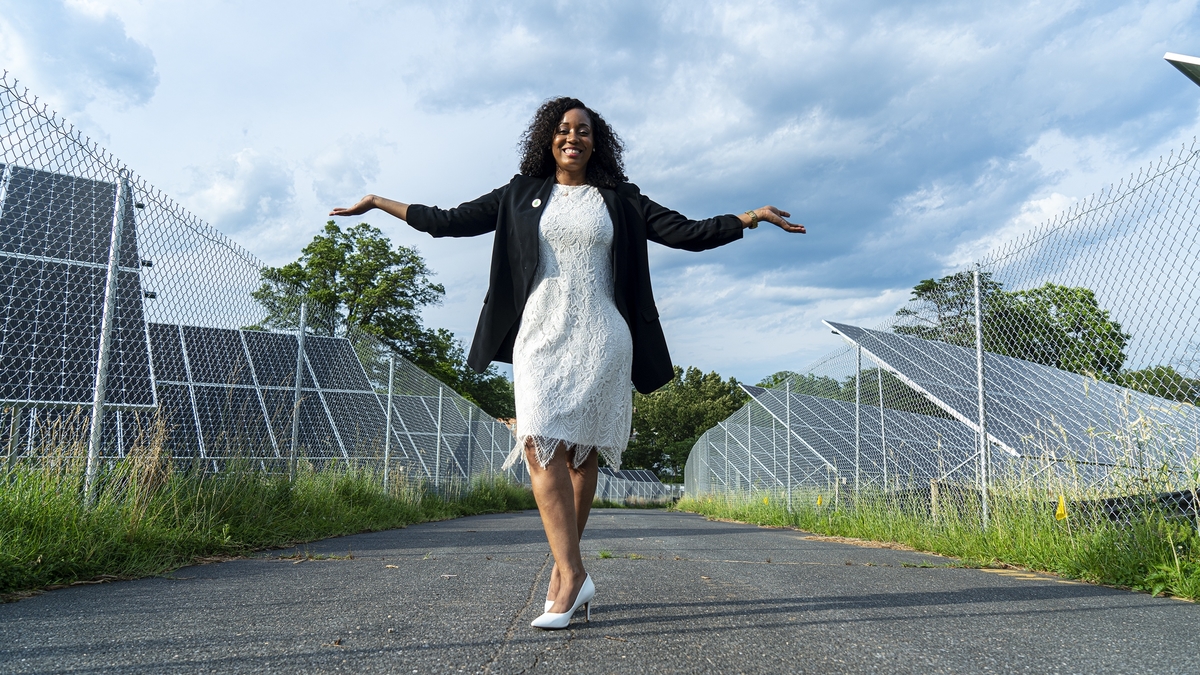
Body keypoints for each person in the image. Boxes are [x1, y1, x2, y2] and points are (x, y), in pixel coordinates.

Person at [330, 97, 805, 630]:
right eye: (562, 130)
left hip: (602, 337)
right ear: (547, 139)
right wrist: (376, 202)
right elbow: (448, 222)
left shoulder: (619, 200)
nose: (572, 137)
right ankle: (574, 573)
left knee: (582, 457)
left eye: (582, 130)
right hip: (538, 336)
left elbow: (685, 233)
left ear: (596, 142)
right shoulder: (520, 195)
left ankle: (564, 578)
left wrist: (751, 218)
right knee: (537, 441)